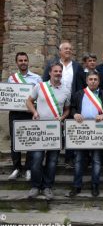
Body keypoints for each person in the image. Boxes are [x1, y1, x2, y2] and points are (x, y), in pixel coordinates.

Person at [26, 62, 71, 199]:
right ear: (50, 73)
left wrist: (62, 117)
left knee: (52, 161)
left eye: (60, 71)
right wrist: (34, 112)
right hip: (40, 129)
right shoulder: (40, 87)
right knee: (37, 159)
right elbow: (28, 101)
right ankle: (35, 186)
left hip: (55, 130)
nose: (58, 73)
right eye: (55, 71)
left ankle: (47, 187)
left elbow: (67, 109)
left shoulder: (66, 90)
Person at [67, 71, 103, 197]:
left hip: (97, 133)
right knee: (79, 160)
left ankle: (95, 186)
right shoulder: (78, 94)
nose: (93, 81)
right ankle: (76, 186)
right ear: (86, 81)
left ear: (99, 81)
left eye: (95, 79)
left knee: (97, 161)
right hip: (82, 132)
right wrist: (75, 114)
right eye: (90, 79)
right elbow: (72, 108)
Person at [43, 42, 83, 167]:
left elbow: (81, 85)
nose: (68, 50)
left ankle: (69, 158)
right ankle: (50, 157)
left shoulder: (77, 66)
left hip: (71, 103)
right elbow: (45, 81)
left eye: (70, 49)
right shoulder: (52, 64)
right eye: (66, 48)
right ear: (60, 51)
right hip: (55, 102)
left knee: (71, 129)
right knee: (53, 128)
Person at [7, 52, 42, 181]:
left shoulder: (36, 78)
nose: (23, 62)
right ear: (17, 62)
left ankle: (28, 168)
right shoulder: (12, 79)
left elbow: (40, 96)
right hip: (15, 113)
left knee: (30, 141)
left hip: (30, 113)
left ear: (28, 62)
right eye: (20, 60)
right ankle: (16, 168)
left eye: (25, 60)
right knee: (15, 141)